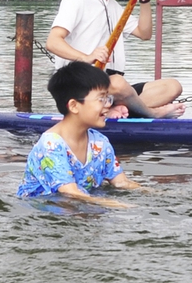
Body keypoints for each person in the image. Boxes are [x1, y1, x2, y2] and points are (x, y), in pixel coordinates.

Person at [45, 0, 184, 118]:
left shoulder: (115, 7)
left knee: (172, 87)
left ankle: (113, 109)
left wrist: (144, 1)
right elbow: (53, 42)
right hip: (80, 86)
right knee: (118, 83)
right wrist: (86, 57)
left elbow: (145, 33)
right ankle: (151, 113)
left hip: (110, 87)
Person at [17, 61, 142, 207]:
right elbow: (70, 193)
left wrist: (160, 195)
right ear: (74, 106)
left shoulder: (100, 142)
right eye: (101, 98)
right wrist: (116, 205)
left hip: (81, 206)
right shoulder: (51, 145)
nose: (108, 104)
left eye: (108, 98)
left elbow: (121, 182)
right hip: (42, 210)